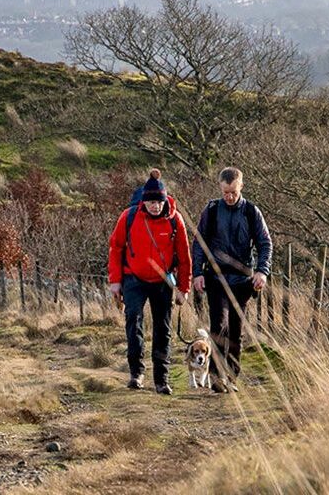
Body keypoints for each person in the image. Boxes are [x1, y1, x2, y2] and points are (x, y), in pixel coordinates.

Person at [107, 171, 192, 394]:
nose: (155, 206)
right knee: (133, 322)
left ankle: (162, 379)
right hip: (133, 278)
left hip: (163, 281)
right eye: (151, 202)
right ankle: (137, 373)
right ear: (144, 201)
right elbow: (115, 248)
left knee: (162, 329)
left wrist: (184, 288)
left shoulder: (175, 220)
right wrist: (115, 281)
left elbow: (184, 258)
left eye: (159, 202)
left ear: (165, 200)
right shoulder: (129, 217)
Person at [190, 167, 272, 393]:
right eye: (225, 192)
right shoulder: (212, 210)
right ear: (220, 187)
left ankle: (232, 376)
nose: (229, 196)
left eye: (233, 192)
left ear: (241, 187)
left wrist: (262, 271)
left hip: (242, 281)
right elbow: (199, 243)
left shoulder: (251, 212)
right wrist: (197, 272)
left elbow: (265, 243)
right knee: (219, 326)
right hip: (216, 278)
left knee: (236, 330)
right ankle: (216, 377)